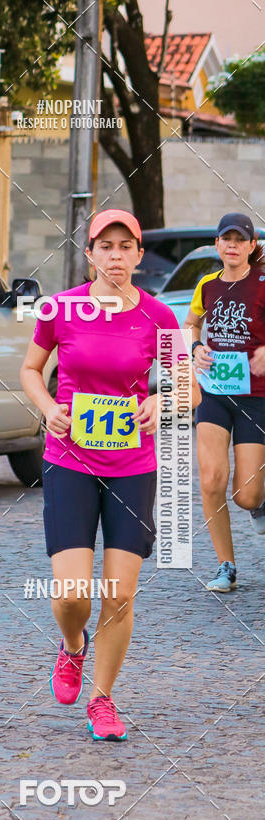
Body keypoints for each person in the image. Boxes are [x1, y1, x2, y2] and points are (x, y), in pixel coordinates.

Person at [20, 209, 200, 742]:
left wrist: (160, 402)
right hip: (70, 460)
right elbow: (31, 369)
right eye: (106, 246)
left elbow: (187, 389)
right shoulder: (62, 309)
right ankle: (72, 645)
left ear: (140, 257)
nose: (116, 256)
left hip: (133, 466)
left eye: (127, 247)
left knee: (119, 595)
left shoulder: (157, 319)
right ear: (90, 254)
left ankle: (103, 699)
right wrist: (48, 406)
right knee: (74, 593)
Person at [183, 212, 265, 592]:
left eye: (240, 239)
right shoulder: (207, 285)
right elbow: (190, 324)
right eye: (225, 239)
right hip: (215, 391)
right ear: (217, 245)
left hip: (256, 397)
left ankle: (259, 502)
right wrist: (196, 347)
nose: (231, 244)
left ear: (251, 246)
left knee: (246, 494)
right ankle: (225, 565)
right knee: (211, 477)